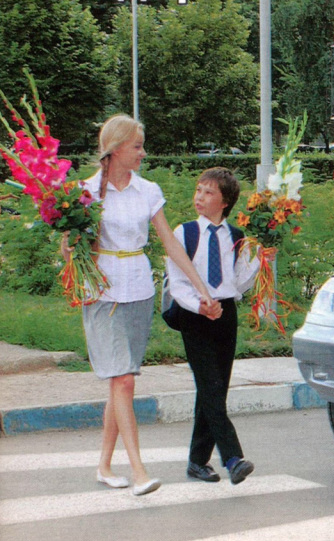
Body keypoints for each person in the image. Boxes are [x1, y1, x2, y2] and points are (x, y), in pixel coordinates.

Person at [63, 114, 217, 496]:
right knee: (125, 380)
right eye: (136, 146)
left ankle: (103, 465)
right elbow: (67, 246)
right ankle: (138, 471)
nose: (142, 152)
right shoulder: (85, 191)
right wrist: (66, 232)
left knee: (121, 382)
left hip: (138, 291)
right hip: (102, 293)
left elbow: (169, 243)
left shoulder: (148, 190)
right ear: (115, 149)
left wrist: (200, 287)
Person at [165, 167, 261, 485]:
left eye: (208, 192)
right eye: (198, 190)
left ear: (225, 201)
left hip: (225, 314)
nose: (199, 197)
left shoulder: (237, 237)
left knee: (215, 388)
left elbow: (241, 281)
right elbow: (177, 282)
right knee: (211, 387)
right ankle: (233, 458)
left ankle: (196, 461)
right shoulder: (185, 233)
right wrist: (200, 305)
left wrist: (262, 257)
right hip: (194, 314)